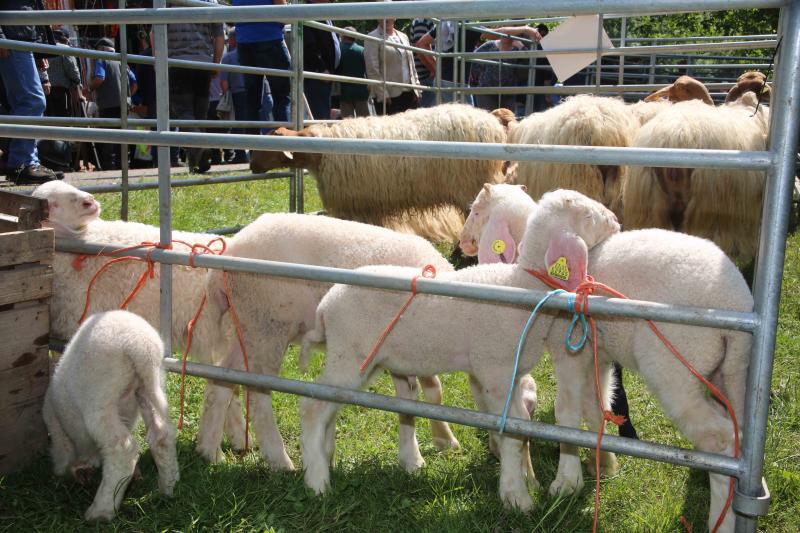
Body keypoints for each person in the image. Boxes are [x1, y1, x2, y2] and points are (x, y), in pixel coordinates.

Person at [0, 0, 59, 184]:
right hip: (13, 38)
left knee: (18, 102)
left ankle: (18, 160)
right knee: (31, 100)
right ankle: (23, 162)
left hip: (21, 37)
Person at [160, 3, 224, 173]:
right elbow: (219, 37)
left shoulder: (167, 3)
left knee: (183, 112)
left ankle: (200, 150)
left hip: (177, 62)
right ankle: (197, 162)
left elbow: (155, 33)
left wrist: (157, 63)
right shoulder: (211, 2)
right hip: (202, 62)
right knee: (199, 114)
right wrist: (216, 64)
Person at [233, 0, 292, 129]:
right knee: (282, 96)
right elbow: (284, 13)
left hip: (244, 41)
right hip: (270, 38)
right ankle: (285, 144)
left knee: (251, 99)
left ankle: (253, 145)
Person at [87, 37, 138, 171]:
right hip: (124, 104)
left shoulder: (101, 59)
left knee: (109, 136)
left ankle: (109, 166)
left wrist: (89, 88)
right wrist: (127, 96)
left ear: (102, 50)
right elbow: (134, 83)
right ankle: (124, 165)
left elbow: (100, 78)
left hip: (107, 104)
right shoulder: (121, 61)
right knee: (123, 135)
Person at [470, 25, 543, 112]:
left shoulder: (517, 49)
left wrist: (521, 47)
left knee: (508, 119)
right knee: (490, 119)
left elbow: (530, 62)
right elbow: (474, 60)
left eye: (511, 33)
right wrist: (477, 78)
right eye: (506, 32)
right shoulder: (490, 45)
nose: (507, 35)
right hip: (487, 90)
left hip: (508, 92)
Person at [413, 19, 482, 107]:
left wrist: (436, 68)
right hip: (457, 84)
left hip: (441, 81)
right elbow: (492, 34)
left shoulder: (444, 24)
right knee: (467, 117)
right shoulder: (470, 26)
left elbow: (421, 43)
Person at [364, 18, 420, 115]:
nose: (386, 18)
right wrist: (382, 93)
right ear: (378, 18)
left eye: (390, 13)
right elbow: (372, 69)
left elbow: (411, 64)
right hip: (389, 96)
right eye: (383, 14)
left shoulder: (404, 36)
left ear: (394, 17)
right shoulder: (372, 37)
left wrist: (417, 88)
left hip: (409, 92)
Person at [302, 0, 340, 120]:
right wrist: (321, 69)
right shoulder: (309, 13)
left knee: (324, 114)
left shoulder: (325, 13)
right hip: (318, 76)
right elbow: (309, 46)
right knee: (320, 117)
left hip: (328, 75)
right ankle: (319, 138)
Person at [219, 27, 249, 164]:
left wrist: (226, 95)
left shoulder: (228, 58)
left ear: (233, 40)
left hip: (237, 93)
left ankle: (240, 154)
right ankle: (254, 152)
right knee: (254, 122)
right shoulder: (251, 54)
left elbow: (224, 82)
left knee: (238, 124)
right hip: (255, 91)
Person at [46, 28, 84, 118]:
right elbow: (73, 70)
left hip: (45, 90)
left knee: (49, 121)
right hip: (61, 92)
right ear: (66, 39)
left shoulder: (44, 46)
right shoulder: (64, 49)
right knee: (64, 120)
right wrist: (78, 82)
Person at [337, 27, 370, 118]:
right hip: (361, 91)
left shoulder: (339, 50)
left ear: (343, 36)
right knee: (364, 120)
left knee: (348, 122)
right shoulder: (362, 50)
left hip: (344, 91)